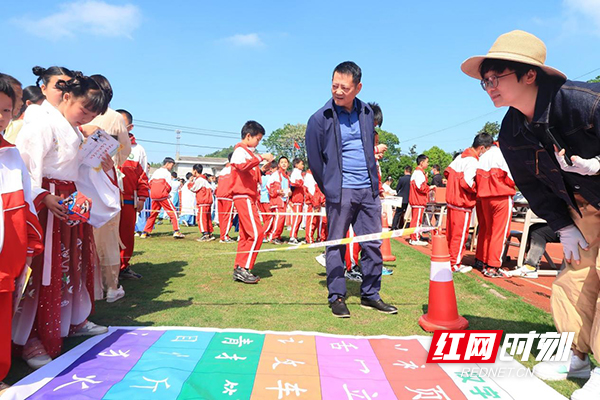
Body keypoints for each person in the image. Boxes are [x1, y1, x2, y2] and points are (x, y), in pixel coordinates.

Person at [462, 30, 600, 397]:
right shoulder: (510, 130)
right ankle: (576, 356)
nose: (489, 86)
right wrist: (562, 226)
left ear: (529, 74)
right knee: (574, 279)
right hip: (583, 206)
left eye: (497, 77)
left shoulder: (585, 102)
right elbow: (532, 185)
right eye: (484, 81)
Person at [14, 71, 119, 368]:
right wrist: (42, 197)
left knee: (70, 267)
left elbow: (79, 170)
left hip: (68, 202)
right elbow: (24, 168)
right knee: (43, 270)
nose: (85, 118)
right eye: (83, 110)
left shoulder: (73, 128)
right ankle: (31, 338)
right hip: (48, 202)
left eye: (92, 114)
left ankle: (70, 320)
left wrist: (100, 159)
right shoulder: (41, 123)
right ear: (67, 96)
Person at [305, 61, 397, 318]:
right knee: (336, 245)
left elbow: (368, 150)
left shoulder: (367, 113)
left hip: (368, 191)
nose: (338, 91)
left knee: (372, 244)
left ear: (358, 87)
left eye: (345, 87)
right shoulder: (319, 119)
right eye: (334, 85)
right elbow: (315, 160)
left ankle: (370, 294)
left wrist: (373, 186)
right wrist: (333, 188)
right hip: (340, 192)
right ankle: (336, 295)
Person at [0, 78, 44, 389]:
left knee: (2, 318)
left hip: (7, 262)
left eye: (5, 110)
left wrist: (30, 246)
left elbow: (26, 206)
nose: (1, 116)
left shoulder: (12, 156)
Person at [85, 78, 131, 303]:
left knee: (87, 237)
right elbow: (124, 151)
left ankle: (91, 289)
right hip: (106, 178)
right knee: (108, 238)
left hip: (81, 181)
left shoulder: (76, 113)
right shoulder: (114, 117)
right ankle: (111, 286)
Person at [227, 121, 274, 283]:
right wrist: (260, 157)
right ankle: (244, 268)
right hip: (243, 196)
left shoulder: (246, 152)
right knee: (257, 233)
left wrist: (262, 167)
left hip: (247, 196)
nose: (258, 143)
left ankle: (240, 267)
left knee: (246, 235)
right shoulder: (240, 150)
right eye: (258, 139)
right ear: (249, 136)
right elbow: (241, 166)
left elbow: (249, 173)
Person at [444, 133, 493, 273]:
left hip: (452, 201)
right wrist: (476, 189)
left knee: (451, 234)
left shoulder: (460, 156)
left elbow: (447, 172)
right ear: (482, 148)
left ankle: (449, 260)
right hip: (462, 203)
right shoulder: (473, 161)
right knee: (459, 235)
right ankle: (454, 264)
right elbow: (466, 182)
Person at [116, 109, 149, 280]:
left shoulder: (138, 150)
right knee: (105, 236)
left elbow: (143, 177)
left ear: (130, 126)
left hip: (128, 201)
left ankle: (123, 267)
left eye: (122, 124)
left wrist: (142, 197)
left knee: (126, 235)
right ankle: (103, 269)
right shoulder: (104, 143)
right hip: (107, 200)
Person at [474, 143, 515, 278]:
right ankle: (493, 266)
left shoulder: (483, 156)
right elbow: (511, 178)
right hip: (501, 196)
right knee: (500, 233)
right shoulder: (504, 153)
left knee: (488, 232)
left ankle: (485, 262)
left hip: (485, 198)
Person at [141, 157, 185, 239]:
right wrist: (166, 193)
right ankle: (176, 231)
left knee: (153, 214)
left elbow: (150, 183)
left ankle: (145, 232)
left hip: (154, 195)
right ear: (167, 164)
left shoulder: (156, 171)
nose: (172, 167)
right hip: (162, 195)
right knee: (173, 212)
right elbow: (168, 186)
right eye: (172, 165)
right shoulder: (167, 173)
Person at [409, 154, 434, 246]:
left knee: (416, 219)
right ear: (421, 162)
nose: (428, 164)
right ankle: (414, 238)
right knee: (416, 220)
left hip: (417, 200)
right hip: (418, 200)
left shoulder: (418, 172)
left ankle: (416, 236)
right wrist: (429, 188)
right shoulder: (419, 173)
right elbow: (420, 187)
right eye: (427, 162)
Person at [266, 156, 290, 244]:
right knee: (278, 219)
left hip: (283, 200)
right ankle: (273, 237)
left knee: (282, 220)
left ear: (288, 164)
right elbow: (269, 186)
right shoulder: (276, 174)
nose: (284, 164)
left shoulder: (286, 176)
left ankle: (278, 236)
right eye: (282, 162)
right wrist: (277, 191)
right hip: (277, 200)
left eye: (285, 162)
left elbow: (286, 188)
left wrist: (289, 193)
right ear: (279, 164)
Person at [189, 163, 214, 241]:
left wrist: (190, 182)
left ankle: (205, 234)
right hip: (208, 201)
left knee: (201, 218)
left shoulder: (199, 180)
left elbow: (193, 188)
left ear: (195, 171)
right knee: (207, 218)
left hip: (203, 201)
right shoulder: (205, 180)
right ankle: (209, 233)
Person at [215, 154, 234, 243]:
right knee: (227, 217)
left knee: (222, 217)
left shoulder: (224, 169)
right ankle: (225, 236)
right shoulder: (234, 169)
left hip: (220, 195)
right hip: (228, 196)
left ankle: (223, 235)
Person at [288, 158, 305, 245]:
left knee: (299, 218)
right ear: (296, 165)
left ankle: (295, 236)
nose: (303, 166)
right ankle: (292, 237)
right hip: (297, 198)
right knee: (297, 218)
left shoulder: (298, 173)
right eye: (301, 164)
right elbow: (292, 184)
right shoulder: (295, 173)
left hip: (300, 198)